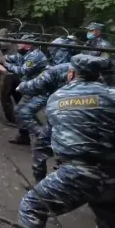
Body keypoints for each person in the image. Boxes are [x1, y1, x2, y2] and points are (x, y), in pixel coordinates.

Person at [19, 54, 115, 228]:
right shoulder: (112, 95)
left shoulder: (57, 98)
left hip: (77, 173)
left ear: (71, 74)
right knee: (107, 216)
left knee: (32, 206)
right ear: (99, 75)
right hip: (111, 174)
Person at [0, 34, 48, 145]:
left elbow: (23, 71)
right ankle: (24, 136)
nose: (18, 44)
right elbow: (10, 58)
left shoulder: (35, 56)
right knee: (21, 111)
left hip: (40, 90)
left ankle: (43, 137)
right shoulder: (24, 53)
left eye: (21, 42)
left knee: (30, 113)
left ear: (29, 46)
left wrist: (5, 65)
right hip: (30, 88)